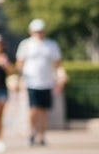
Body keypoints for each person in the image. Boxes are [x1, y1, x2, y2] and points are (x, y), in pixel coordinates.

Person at [16, 19, 66, 147]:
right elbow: (19, 63)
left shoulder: (51, 45)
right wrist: (18, 78)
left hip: (47, 83)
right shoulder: (26, 44)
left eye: (40, 31)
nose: (38, 34)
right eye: (36, 31)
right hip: (31, 82)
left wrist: (61, 77)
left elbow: (58, 64)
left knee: (44, 111)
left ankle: (42, 135)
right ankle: (32, 133)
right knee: (33, 109)